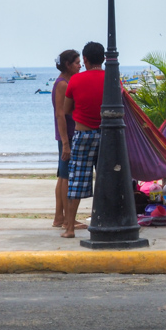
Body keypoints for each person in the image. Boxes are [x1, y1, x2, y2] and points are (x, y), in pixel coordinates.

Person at [61, 41, 106, 239]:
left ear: (85, 59)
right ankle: (106, 223)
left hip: (83, 134)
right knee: (107, 181)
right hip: (107, 136)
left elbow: (66, 110)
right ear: (104, 59)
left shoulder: (76, 81)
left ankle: (70, 228)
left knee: (76, 182)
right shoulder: (113, 79)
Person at [51, 49, 85, 230]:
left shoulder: (68, 82)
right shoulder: (63, 84)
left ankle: (59, 216)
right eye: (77, 63)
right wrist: (65, 142)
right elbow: (60, 114)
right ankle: (66, 220)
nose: (80, 65)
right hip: (68, 135)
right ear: (67, 65)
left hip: (68, 134)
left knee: (62, 176)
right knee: (66, 177)